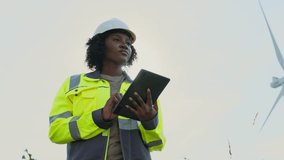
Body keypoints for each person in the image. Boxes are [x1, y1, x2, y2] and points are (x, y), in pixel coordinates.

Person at [48, 18, 166, 160]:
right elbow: (56, 131)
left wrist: (149, 121)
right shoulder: (73, 84)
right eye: (117, 40)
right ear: (100, 44)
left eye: (128, 43)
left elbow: (157, 144)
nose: (124, 45)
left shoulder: (144, 90)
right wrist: (100, 117)